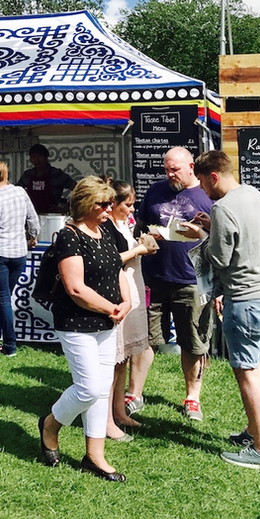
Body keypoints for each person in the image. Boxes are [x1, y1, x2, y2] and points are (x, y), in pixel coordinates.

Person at [186, 150, 260, 471]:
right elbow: (243, 235)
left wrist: (201, 234)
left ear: (213, 176)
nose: (201, 189)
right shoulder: (253, 194)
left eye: (201, 182)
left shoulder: (222, 207)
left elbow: (219, 258)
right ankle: (254, 431)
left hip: (246, 300)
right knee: (255, 366)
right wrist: (214, 225)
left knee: (247, 371)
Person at [38, 176, 131, 482]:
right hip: (76, 323)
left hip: (106, 321)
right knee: (89, 388)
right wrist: (110, 307)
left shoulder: (105, 230)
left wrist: (126, 301)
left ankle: (95, 455)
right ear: (86, 205)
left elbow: (116, 267)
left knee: (101, 390)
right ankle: (51, 424)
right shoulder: (69, 236)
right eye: (103, 204)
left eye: (110, 203)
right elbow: (75, 288)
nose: (109, 208)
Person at [134, 146, 214, 420]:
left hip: (191, 280)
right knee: (145, 339)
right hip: (153, 277)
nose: (169, 174)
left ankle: (193, 398)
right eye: (166, 169)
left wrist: (201, 232)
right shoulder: (156, 190)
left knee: (192, 342)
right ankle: (134, 393)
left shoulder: (207, 194)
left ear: (191, 166)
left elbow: (220, 237)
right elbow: (140, 224)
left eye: (175, 169)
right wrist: (147, 236)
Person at [102, 179, 157, 438]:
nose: (132, 210)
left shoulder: (122, 224)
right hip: (117, 295)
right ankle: (106, 419)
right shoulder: (106, 227)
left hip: (132, 292)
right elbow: (113, 259)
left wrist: (142, 245)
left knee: (122, 359)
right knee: (113, 360)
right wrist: (139, 250)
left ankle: (119, 412)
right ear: (112, 204)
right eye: (128, 205)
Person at [0, 160, 40, 356]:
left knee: (3, 298)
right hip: (19, 252)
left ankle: (9, 344)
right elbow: (33, 218)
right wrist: (33, 235)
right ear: (7, 173)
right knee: (5, 297)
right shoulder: (20, 192)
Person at [17, 144, 77, 217]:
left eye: (39, 157)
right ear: (30, 160)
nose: (37, 160)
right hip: (32, 217)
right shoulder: (28, 175)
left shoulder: (57, 174)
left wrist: (65, 209)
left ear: (46, 157)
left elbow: (79, 190)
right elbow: (16, 192)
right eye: (33, 157)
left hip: (52, 217)